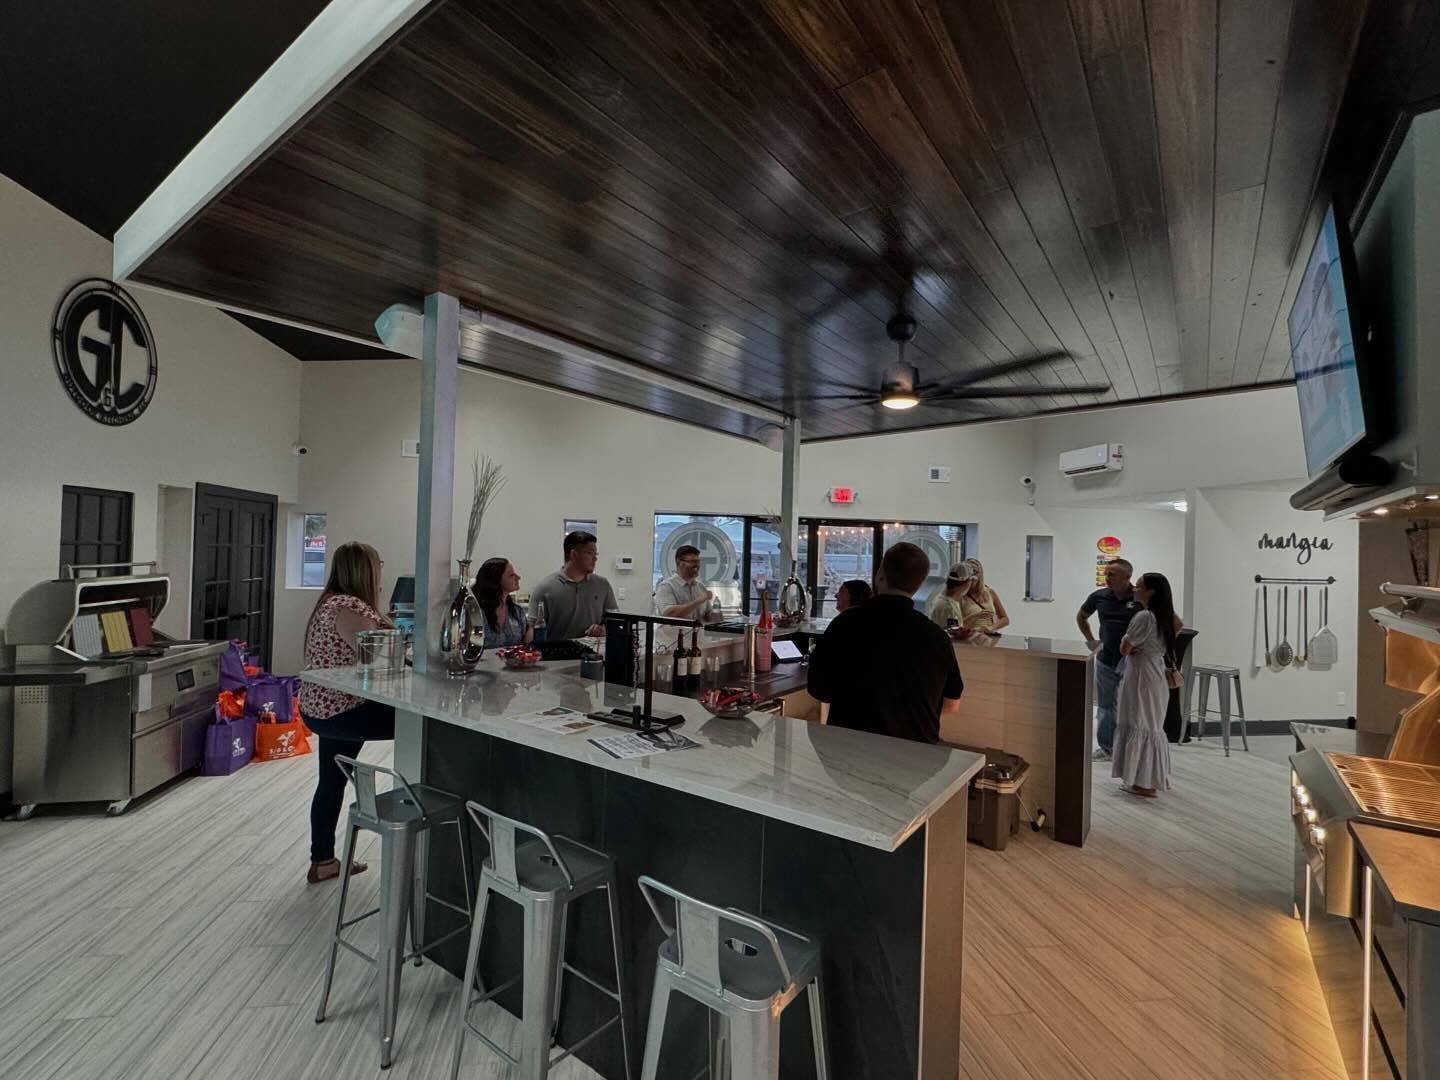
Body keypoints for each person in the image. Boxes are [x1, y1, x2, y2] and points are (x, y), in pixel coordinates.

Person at [298, 542, 396, 884]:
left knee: (331, 780)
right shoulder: (350, 607)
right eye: (377, 563)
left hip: (320, 705)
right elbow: (384, 661)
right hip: (343, 709)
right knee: (422, 722)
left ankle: (322, 860)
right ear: (365, 570)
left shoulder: (329, 603)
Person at [807, 542, 964, 743]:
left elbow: (819, 689)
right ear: (919, 584)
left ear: (880, 576)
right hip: (917, 757)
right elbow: (952, 704)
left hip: (849, 751)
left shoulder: (845, 624)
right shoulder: (936, 636)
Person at [1112, 572, 1183, 797]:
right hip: (1155, 673)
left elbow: (1125, 647)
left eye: (1139, 586)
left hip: (1140, 675)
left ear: (1150, 591)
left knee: (1138, 721)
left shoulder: (1144, 617)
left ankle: (1144, 782)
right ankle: (1149, 778)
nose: (1134, 588)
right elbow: (1178, 626)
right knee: (1151, 723)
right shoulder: (1166, 616)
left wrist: (1133, 645)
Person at [1077, 559, 1140, 761]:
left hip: (1133, 662)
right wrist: (1091, 641)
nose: (1107, 577)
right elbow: (1081, 616)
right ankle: (1107, 748)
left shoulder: (1140, 598)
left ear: (1127, 578)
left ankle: (1132, 747)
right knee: (1105, 706)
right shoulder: (1099, 596)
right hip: (1106, 660)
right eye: (1106, 573)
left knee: (1131, 705)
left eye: (1112, 574)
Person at [529, 530, 618, 640]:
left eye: (596, 554)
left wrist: (603, 629)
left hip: (595, 654)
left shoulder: (602, 585)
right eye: (590, 553)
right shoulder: (545, 588)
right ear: (574, 555)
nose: (595, 559)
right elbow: (532, 630)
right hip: (560, 654)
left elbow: (616, 622)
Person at [474, 557, 531, 648]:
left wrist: (532, 627)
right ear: (496, 580)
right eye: (511, 575)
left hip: (512, 661)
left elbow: (526, 645)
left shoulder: (517, 612)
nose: (518, 577)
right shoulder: (476, 613)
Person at [960, 558, 1009, 632]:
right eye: (968, 572)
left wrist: (992, 627)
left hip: (987, 638)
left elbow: (1004, 619)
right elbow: (955, 626)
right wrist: (974, 616)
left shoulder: (990, 592)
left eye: (975, 572)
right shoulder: (960, 595)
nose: (972, 576)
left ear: (980, 574)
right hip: (968, 638)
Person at [925, 563, 974, 629]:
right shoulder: (949, 608)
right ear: (967, 583)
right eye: (971, 581)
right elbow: (953, 637)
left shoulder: (939, 598)